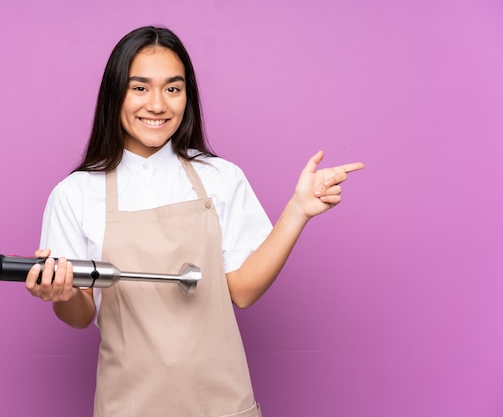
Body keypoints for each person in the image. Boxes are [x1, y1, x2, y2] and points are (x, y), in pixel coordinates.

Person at [25, 26, 364, 417]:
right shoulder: (76, 193)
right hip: (129, 405)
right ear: (114, 93)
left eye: (173, 88)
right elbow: (80, 315)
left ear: (188, 96)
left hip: (222, 402)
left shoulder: (221, 178)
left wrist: (298, 211)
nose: (157, 105)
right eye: (139, 88)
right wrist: (62, 293)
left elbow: (242, 290)